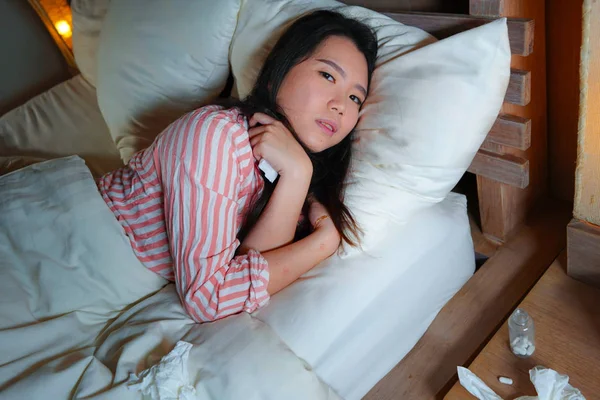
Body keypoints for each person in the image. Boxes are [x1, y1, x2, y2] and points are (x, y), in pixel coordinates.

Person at [97, 10, 378, 323]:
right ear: (277, 73)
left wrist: (297, 177)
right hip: (83, 246)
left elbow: (249, 263)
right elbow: (208, 298)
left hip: (114, 281)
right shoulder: (216, 135)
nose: (341, 105)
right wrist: (324, 241)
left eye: (355, 97)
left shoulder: (294, 171)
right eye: (328, 76)